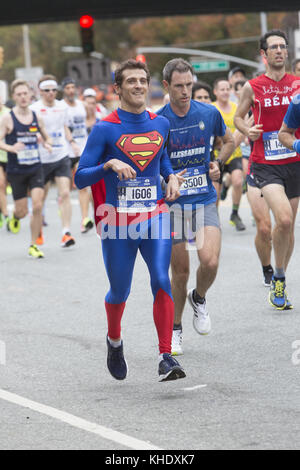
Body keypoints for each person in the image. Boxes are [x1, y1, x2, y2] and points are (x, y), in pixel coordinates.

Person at [75, 59, 186, 382]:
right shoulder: (105, 128)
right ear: (118, 88)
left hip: (155, 215)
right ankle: (114, 340)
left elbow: (161, 156)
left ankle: (166, 356)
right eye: (131, 81)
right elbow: (80, 176)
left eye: (142, 80)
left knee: (161, 280)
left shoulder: (160, 124)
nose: (138, 86)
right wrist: (107, 164)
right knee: (119, 290)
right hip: (117, 222)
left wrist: (171, 178)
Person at [157, 58, 234, 356]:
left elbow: (228, 141)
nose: (186, 91)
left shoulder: (209, 112)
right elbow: (151, 163)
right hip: (173, 204)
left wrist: (218, 163)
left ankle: (198, 298)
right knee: (180, 271)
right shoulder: (159, 121)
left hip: (203, 197)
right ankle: (175, 327)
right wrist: (167, 179)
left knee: (210, 261)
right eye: (179, 86)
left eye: (189, 84)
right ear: (166, 86)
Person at [234, 29, 300, 310]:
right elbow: (238, 117)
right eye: (273, 47)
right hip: (265, 163)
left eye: (282, 47)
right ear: (263, 54)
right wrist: (247, 128)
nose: (279, 51)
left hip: (294, 162)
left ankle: (280, 276)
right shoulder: (253, 86)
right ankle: (273, 272)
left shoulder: (297, 84)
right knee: (280, 221)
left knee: (289, 226)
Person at [0, 79, 52, 258]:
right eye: (19, 94)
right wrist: (11, 148)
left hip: (35, 168)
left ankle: (33, 244)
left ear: (30, 95)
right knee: (22, 211)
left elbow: (47, 138)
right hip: (16, 171)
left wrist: (47, 144)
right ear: (14, 97)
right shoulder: (8, 118)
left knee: (37, 205)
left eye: (25, 94)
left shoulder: (37, 117)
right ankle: (15, 217)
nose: (23, 97)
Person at [30, 75, 76, 248]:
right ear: (40, 92)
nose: (50, 93)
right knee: (40, 198)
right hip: (41, 158)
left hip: (61, 155)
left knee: (65, 193)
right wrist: (41, 140)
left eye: (53, 90)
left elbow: (65, 127)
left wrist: (72, 143)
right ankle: (38, 228)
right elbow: (31, 129)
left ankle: (66, 232)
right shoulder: (34, 108)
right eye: (46, 90)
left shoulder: (62, 107)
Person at [213, 78, 246, 231]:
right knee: (216, 192)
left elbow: (243, 127)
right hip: (217, 155)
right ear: (215, 92)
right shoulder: (212, 109)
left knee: (238, 181)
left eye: (228, 89)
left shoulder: (236, 108)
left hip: (235, 153)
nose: (225, 92)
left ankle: (234, 213)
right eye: (222, 89)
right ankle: (215, 218)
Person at [62, 78, 94, 234]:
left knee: (82, 185)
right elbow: (63, 126)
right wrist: (71, 140)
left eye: (72, 87)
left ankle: (84, 219)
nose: (70, 90)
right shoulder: (61, 107)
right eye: (67, 87)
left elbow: (89, 119)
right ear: (63, 90)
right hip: (64, 151)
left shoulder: (82, 105)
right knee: (65, 190)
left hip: (81, 150)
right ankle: (64, 216)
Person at [0, 96, 10, 228]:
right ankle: (6, 214)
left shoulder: (9, 112)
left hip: (11, 155)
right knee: (1, 184)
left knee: (7, 185)